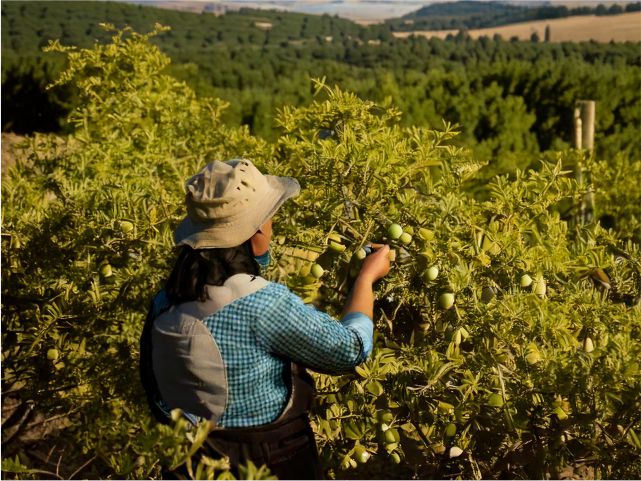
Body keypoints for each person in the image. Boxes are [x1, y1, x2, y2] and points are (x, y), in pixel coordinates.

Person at [139, 159, 390, 479]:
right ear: (255, 229)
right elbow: (351, 349)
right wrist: (366, 280)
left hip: (192, 465)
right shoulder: (263, 305)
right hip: (271, 463)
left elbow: (154, 389)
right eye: (269, 218)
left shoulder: (164, 302)